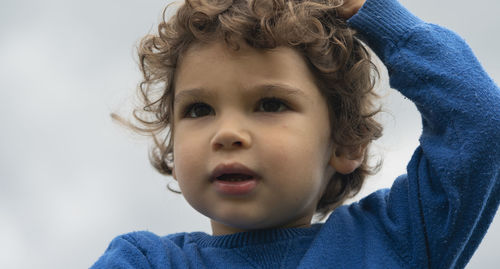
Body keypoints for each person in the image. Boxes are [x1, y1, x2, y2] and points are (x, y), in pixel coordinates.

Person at [92, 0, 500, 267]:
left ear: (345, 142)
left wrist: (369, 11)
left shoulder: (396, 240)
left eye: (270, 104)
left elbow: (480, 121)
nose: (228, 133)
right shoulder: (144, 261)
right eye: (199, 109)